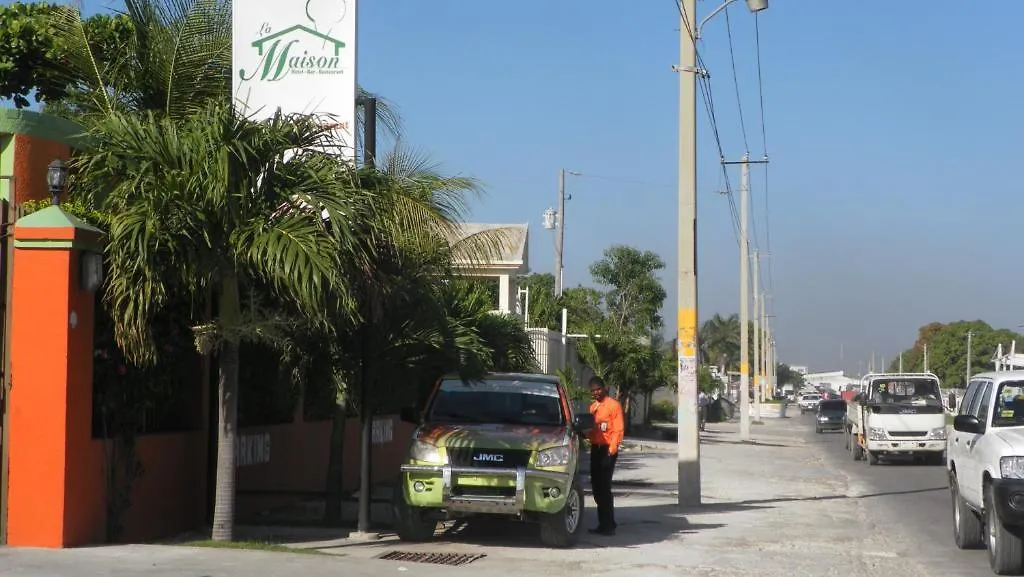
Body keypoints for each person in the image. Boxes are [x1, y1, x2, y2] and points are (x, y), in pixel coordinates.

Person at [587, 375, 624, 536]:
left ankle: (609, 525)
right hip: (596, 449)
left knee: (604, 488)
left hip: (608, 450)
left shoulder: (613, 406)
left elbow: (618, 430)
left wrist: (611, 451)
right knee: (596, 488)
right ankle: (603, 523)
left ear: (604, 388)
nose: (596, 393)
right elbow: (592, 432)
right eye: (593, 391)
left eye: (598, 389)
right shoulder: (593, 408)